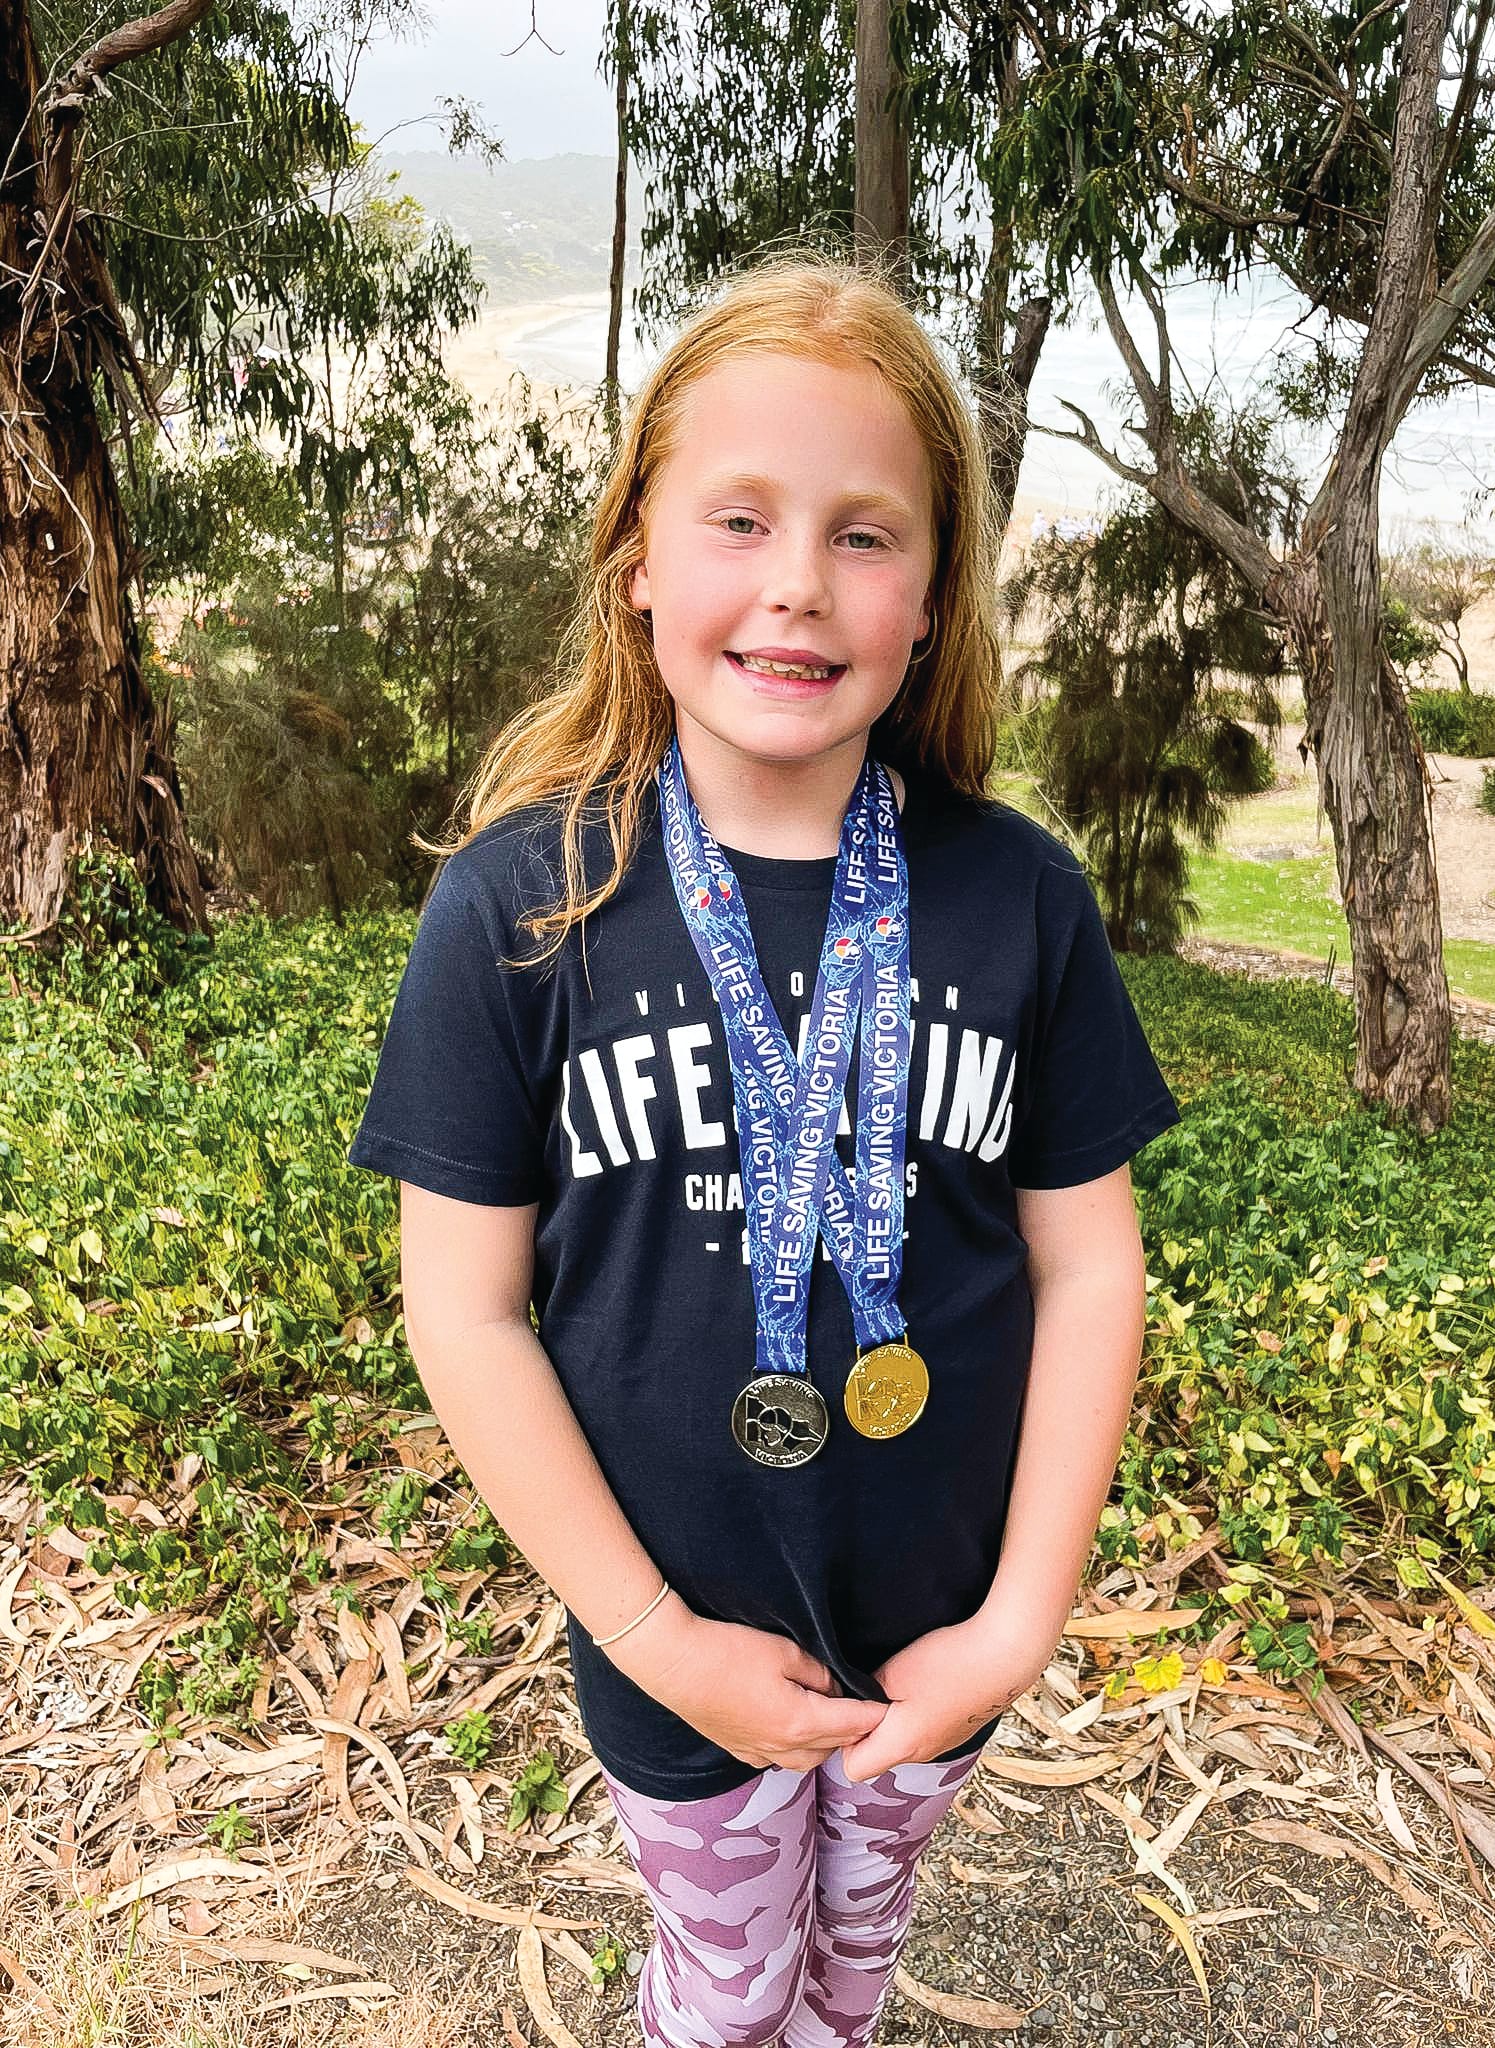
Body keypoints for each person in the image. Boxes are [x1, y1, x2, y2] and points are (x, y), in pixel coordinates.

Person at [345, 250, 1182, 2048]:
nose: (799, 584)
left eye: (866, 533)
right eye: (740, 518)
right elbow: (465, 1313)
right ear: (637, 556)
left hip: (938, 1652)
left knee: (854, 1975)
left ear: (937, 593)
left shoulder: (1019, 898)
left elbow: (1087, 1264)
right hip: (677, 1654)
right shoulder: (522, 903)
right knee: (724, 1994)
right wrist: (653, 1637)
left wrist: (1020, 1623)